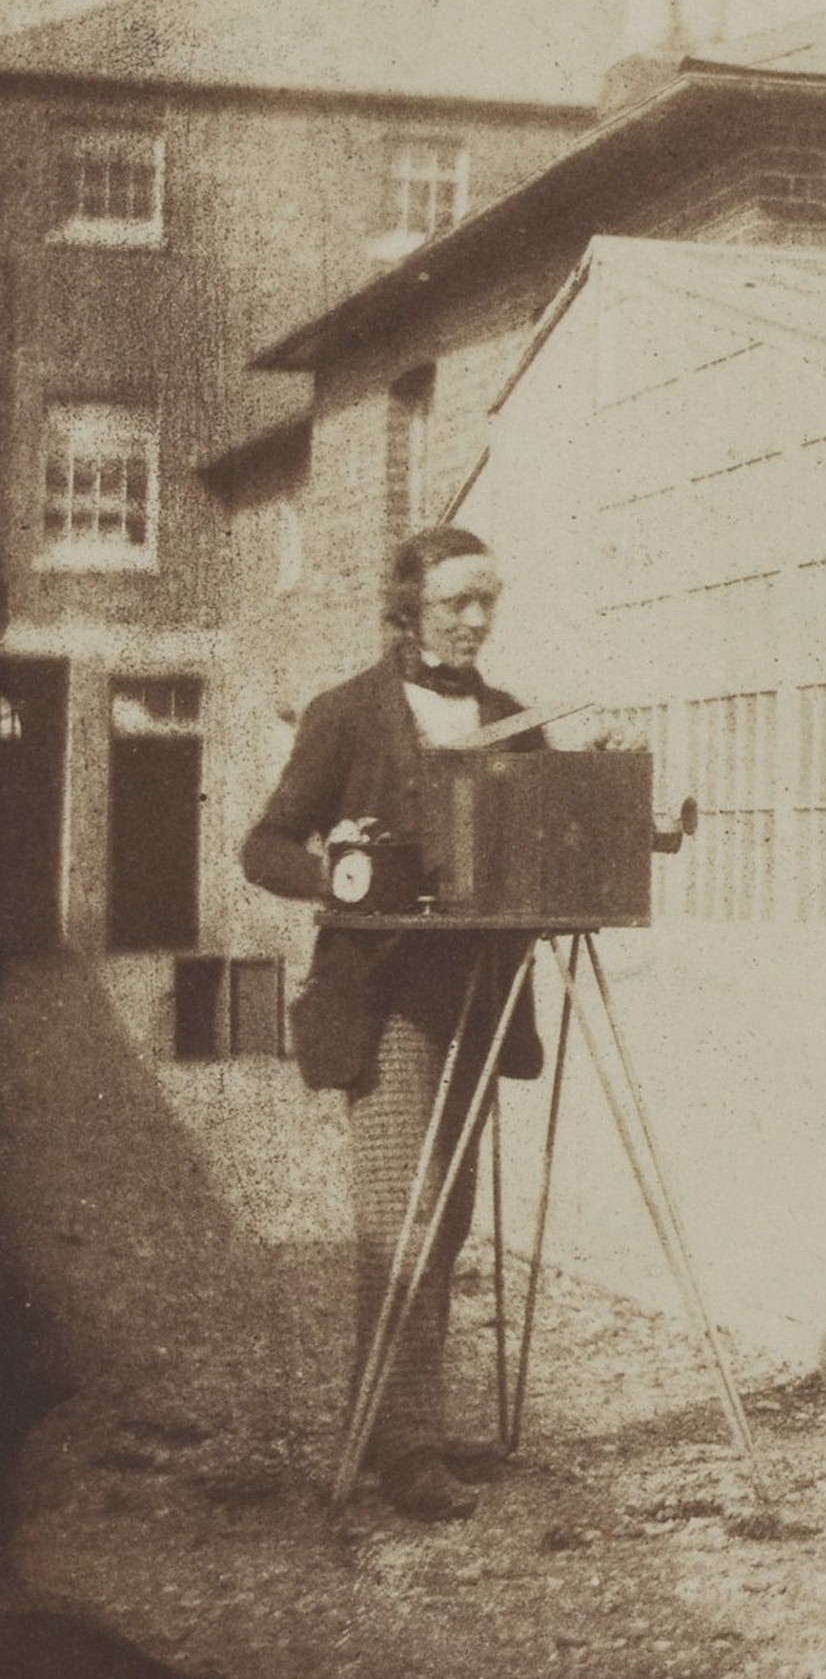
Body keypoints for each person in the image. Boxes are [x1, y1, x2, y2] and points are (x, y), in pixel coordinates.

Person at [242, 525, 545, 1523]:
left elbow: (547, 840)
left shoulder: (511, 718)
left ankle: (390, 1422)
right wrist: (332, 866)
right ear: (407, 604)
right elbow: (264, 842)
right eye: (457, 598)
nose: (475, 616)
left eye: (487, 598)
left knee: (446, 1218)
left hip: (476, 996)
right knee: (399, 1217)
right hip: (382, 997)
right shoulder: (347, 714)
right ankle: (408, 1447)